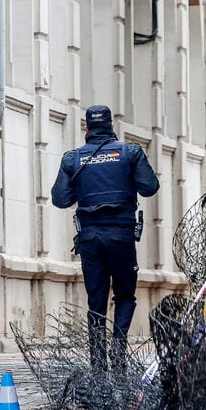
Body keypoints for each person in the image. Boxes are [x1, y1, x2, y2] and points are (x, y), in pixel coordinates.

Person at [51, 105, 160, 371]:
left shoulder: (72, 159)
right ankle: (119, 355)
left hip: (90, 239)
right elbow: (150, 187)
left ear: (86, 129)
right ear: (112, 126)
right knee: (125, 296)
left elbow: (60, 199)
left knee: (96, 302)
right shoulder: (129, 152)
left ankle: (99, 365)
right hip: (121, 236)